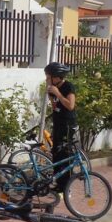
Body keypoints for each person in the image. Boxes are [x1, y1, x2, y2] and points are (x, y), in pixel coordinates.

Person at [44, 62, 77, 190]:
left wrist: (58, 93)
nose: (46, 79)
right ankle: (58, 183)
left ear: (57, 77)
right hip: (57, 123)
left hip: (67, 124)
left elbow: (70, 106)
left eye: (48, 77)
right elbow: (55, 106)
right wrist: (50, 94)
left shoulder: (68, 86)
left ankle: (66, 186)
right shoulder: (53, 88)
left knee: (65, 155)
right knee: (56, 153)